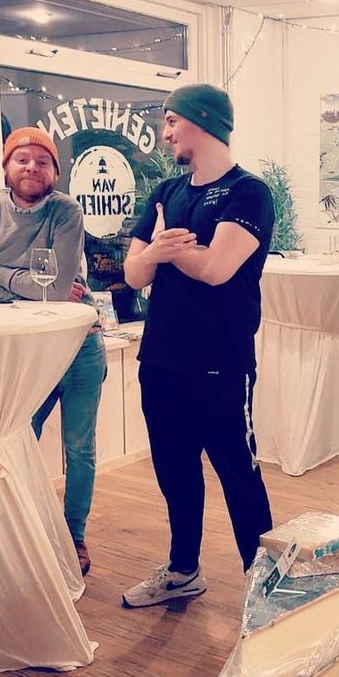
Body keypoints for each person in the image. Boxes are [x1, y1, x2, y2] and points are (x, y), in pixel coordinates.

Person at [122, 83, 274, 608]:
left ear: (204, 121)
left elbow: (215, 268)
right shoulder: (166, 192)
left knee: (239, 475)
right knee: (176, 471)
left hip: (220, 364)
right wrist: (159, 251)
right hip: (161, 360)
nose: (165, 134)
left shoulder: (247, 193)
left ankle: (265, 588)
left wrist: (164, 249)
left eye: (172, 121)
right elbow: (133, 273)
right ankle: (183, 569)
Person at [0, 127, 106, 576]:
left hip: (79, 346)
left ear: (55, 171)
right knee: (17, 439)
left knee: (80, 448)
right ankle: (25, 531)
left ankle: (73, 536)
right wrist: (22, 281)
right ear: (7, 166)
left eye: (43, 161)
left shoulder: (66, 210)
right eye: (22, 159)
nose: (32, 167)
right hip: (25, 353)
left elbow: (60, 284)